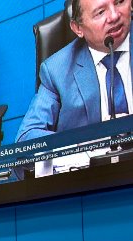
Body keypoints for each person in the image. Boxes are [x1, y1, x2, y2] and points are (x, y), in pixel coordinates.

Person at [16, 0, 132, 142]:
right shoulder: (56, 71)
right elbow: (27, 136)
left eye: (119, 2)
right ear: (78, 28)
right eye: (100, 12)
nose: (114, 16)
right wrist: (93, 137)